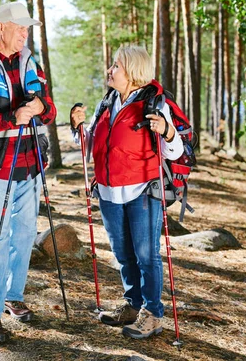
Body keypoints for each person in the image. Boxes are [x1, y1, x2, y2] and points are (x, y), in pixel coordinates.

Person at [70, 45, 183, 339]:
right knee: (123, 255)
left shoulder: (154, 103)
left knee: (146, 256)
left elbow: (175, 150)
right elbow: (91, 146)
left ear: (132, 71)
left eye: (116, 66)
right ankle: (133, 305)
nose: (110, 70)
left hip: (142, 191)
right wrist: (78, 128)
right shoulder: (107, 103)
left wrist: (167, 131)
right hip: (108, 193)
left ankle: (153, 314)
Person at [0, 1, 57, 344]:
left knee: (24, 233)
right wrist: (9, 118)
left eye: (27, 29)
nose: (24, 34)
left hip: (31, 161)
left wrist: (40, 106)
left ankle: (14, 296)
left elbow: (50, 108)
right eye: (19, 27)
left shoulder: (32, 63)